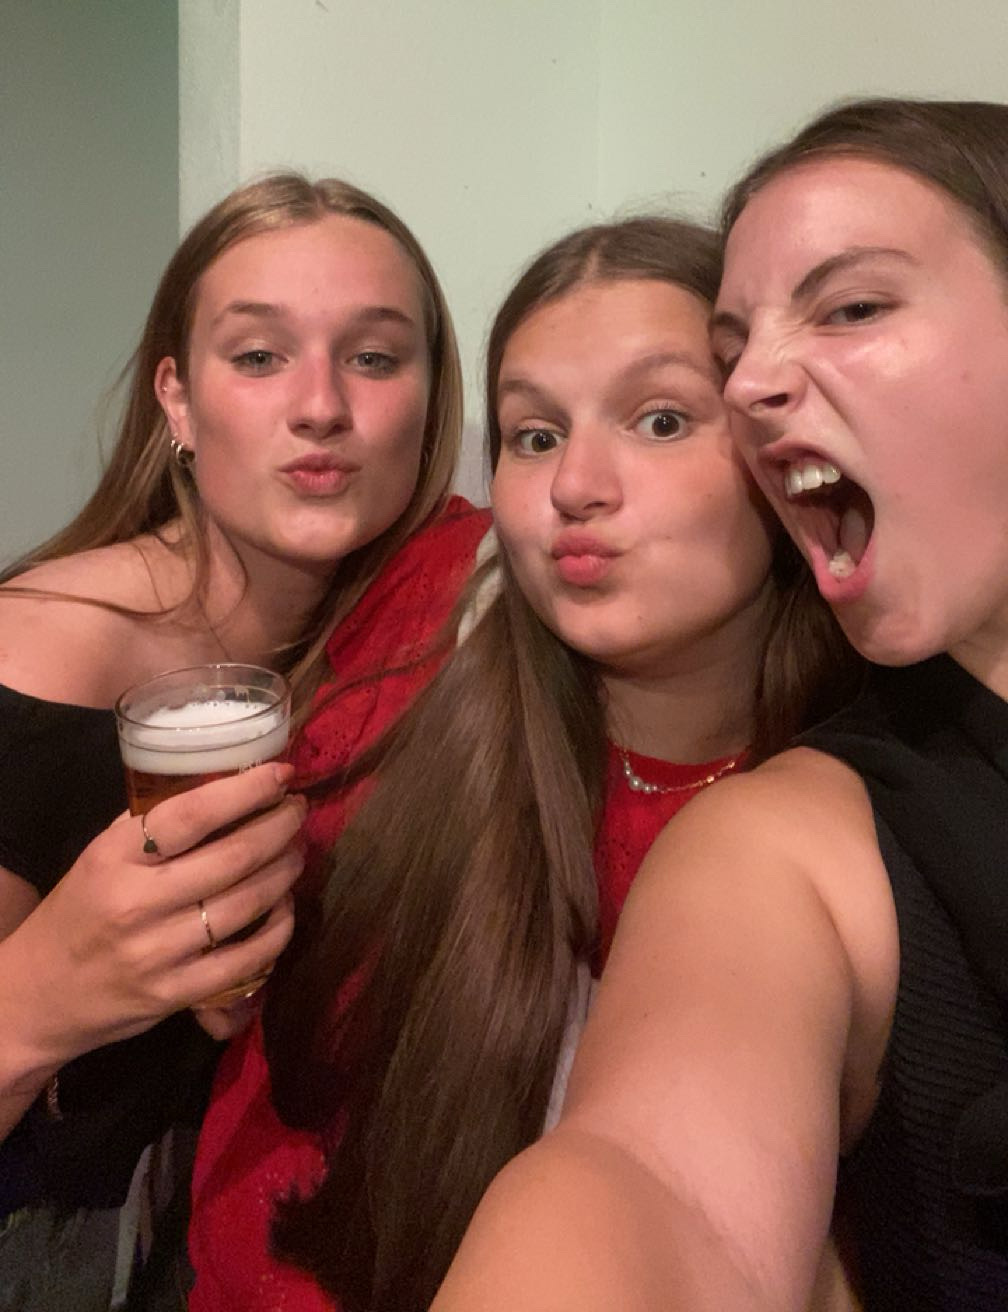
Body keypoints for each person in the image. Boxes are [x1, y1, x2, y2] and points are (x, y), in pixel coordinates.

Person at [186, 214, 855, 1312]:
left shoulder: (860, 811)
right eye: (534, 436)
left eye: (659, 419)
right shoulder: (423, 629)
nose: (575, 485)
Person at [430, 98, 1008, 1312]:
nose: (755, 384)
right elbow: (654, 1186)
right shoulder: (796, 844)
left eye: (851, 307)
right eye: (531, 434)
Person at [0, 171, 479, 1308]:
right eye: (259, 356)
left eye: (374, 357)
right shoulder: (41, 656)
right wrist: (46, 994)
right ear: (176, 398)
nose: (321, 406)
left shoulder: (424, 623)